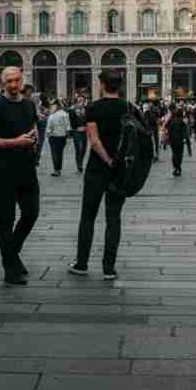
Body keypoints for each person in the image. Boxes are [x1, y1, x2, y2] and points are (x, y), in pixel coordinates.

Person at [68, 70, 132, 281]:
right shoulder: (128, 108)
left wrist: (107, 160)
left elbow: (94, 142)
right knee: (113, 218)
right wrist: (116, 162)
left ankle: (81, 263)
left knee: (88, 216)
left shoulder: (93, 108)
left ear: (102, 85)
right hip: (120, 170)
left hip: (97, 168)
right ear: (119, 86)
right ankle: (109, 268)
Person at [0, 66, 40, 286]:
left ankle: (11, 254)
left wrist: (33, 140)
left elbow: (32, 128)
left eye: (17, 80)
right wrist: (16, 142)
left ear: (22, 80)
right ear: (3, 83)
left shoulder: (29, 104)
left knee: (31, 213)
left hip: (27, 169)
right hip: (4, 170)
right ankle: (10, 269)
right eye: (9, 81)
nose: (14, 84)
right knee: (6, 219)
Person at [45, 100, 70, 177]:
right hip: (62, 137)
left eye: (53, 105)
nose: (52, 107)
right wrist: (67, 135)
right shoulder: (65, 114)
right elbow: (68, 127)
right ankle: (58, 169)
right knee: (59, 153)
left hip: (53, 136)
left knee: (54, 153)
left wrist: (48, 134)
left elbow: (49, 127)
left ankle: (56, 170)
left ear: (57, 106)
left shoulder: (52, 115)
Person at [166, 107, 189, 177]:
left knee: (174, 154)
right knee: (179, 154)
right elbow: (185, 133)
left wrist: (168, 139)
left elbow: (168, 130)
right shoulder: (182, 122)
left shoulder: (172, 122)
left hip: (173, 140)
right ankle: (178, 167)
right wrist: (185, 140)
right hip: (180, 141)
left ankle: (175, 167)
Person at [69, 97, 88, 173]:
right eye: (79, 101)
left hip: (84, 132)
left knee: (84, 149)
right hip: (76, 132)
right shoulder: (72, 110)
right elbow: (70, 121)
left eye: (82, 101)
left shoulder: (86, 110)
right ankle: (79, 165)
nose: (81, 102)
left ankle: (80, 162)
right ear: (76, 102)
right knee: (78, 148)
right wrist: (73, 129)